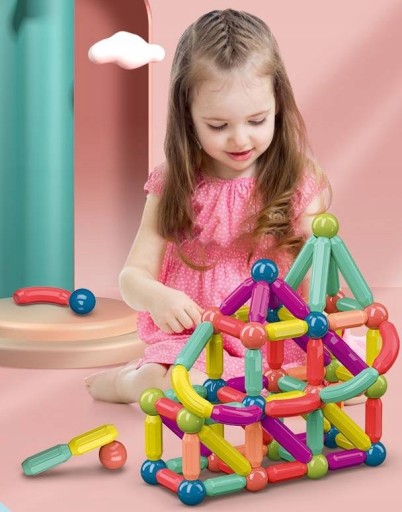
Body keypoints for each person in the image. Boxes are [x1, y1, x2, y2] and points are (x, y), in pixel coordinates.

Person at [86, 9, 331, 404]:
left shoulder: (298, 182)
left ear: (278, 104)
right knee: (179, 385)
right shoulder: (173, 183)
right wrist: (158, 298)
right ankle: (124, 383)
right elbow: (132, 276)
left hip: (273, 341)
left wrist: (326, 335)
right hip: (198, 338)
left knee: (332, 384)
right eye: (219, 126)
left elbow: (316, 278)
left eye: (257, 120)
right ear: (188, 117)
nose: (240, 139)